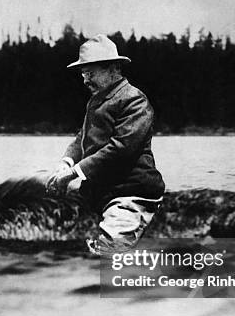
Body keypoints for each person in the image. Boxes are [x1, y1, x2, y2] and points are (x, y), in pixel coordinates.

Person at [46, 34, 165, 254]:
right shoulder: (98, 100)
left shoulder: (134, 100)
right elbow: (82, 137)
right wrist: (66, 162)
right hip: (99, 192)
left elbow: (121, 149)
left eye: (90, 73)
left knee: (109, 249)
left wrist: (73, 173)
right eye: (83, 73)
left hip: (130, 192)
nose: (85, 80)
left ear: (113, 68)